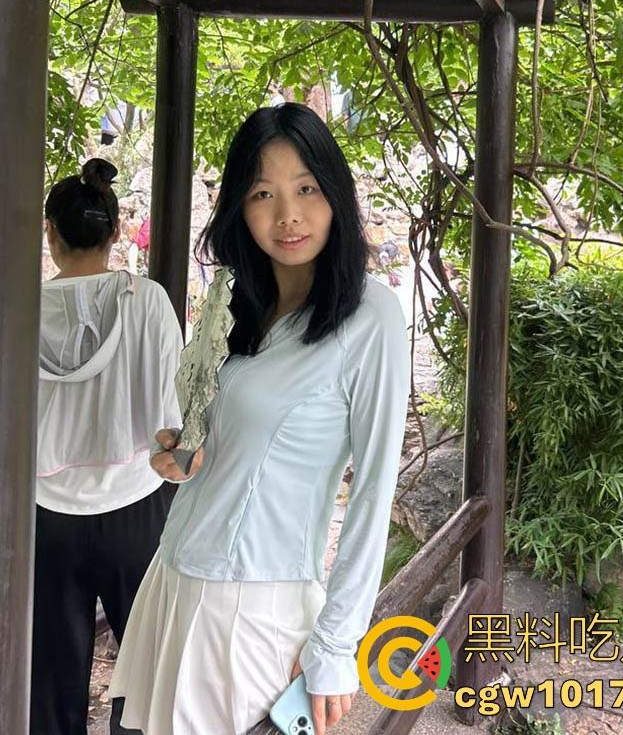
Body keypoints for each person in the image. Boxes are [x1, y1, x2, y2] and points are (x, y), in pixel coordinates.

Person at [109, 104, 411, 735]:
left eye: (306, 189)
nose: (287, 215)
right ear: (239, 209)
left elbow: (373, 489)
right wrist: (185, 452)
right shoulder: (237, 304)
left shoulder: (370, 317)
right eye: (262, 194)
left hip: (251, 610)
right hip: (171, 580)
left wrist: (337, 645)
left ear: (335, 193)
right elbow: (230, 441)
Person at [34, 158, 184, 735]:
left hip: (46, 514)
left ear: (50, 231)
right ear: (117, 231)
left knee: (51, 675)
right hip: (136, 506)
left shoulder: (19, 307)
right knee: (145, 666)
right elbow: (173, 411)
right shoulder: (148, 300)